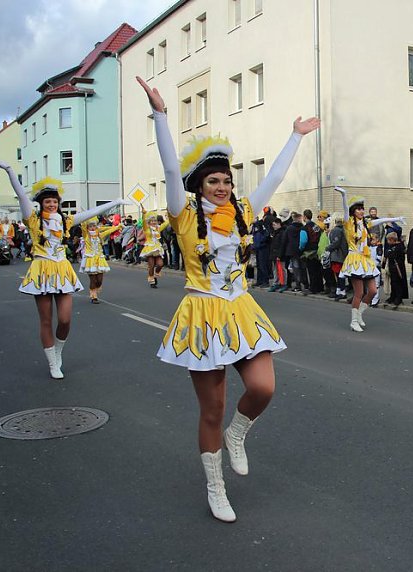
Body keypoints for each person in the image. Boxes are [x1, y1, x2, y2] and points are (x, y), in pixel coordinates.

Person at [139, 76, 320, 523]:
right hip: (202, 312)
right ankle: (216, 487)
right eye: (214, 180)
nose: (222, 186)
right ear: (199, 184)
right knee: (212, 409)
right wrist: (161, 115)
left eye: (226, 180)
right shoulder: (183, 213)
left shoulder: (242, 211)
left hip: (240, 308)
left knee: (263, 387)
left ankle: (239, 434)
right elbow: (167, 167)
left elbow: (275, 177)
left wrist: (294, 137)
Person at [0, 160, 128, 378]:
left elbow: (92, 212)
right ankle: (53, 363)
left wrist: (115, 202)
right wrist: (9, 171)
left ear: (58, 203)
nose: (51, 204)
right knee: (46, 319)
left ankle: (58, 351)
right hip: (41, 270)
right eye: (47, 201)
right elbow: (22, 196)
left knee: (65, 319)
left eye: (54, 201)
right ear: (41, 203)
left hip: (62, 270)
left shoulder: (66, 221)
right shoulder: (33, 220)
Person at [334, 186, 402, 332]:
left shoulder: (365, 223)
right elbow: (345, 210)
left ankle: (359, 314)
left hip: (365, 259)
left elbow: (381, 221)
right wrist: (344, 195)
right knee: (359, 293)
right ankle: (353, 321)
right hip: (354, 260)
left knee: (372, 291)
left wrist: (396, 219)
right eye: (358, 209)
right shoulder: (348, 223)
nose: (361, 211)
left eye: (362, 209)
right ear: (353, 211)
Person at [79, 218, 121, 303]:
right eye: (90, 226)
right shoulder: (86, 235)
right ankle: (94, 296)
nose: (92, 228)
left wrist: (118, 227)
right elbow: (83, 226)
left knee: (99, 281)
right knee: (93, 280)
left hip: (99, 259)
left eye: (94, 226)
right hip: (90, 259)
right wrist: (84, 218)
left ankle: (96, 289)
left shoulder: (99, 235)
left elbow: (109, 231)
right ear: (87, 228)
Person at [139, 208, 170, 288]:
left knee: (160, 264)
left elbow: (166, 223)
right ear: (149, 222)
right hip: (149, 248)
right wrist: (144, 214)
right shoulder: (146, 229)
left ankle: (156, 274)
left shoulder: (158, 228)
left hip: (157, 248)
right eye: (152, 221)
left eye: (154, 221)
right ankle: (152, 281)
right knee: (151, 265)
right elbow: (144, 222)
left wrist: (170, 213)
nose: (153, 222)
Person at [325, 212, 348, 300]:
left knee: (339, 274)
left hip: (337, 255)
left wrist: (328, 248)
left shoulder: (336, 230)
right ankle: (340, 291)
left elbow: (336, 243)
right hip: (341, 255)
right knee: (339, 274)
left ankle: (341, 291)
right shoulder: (343, 230)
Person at [381, 230, 408, 306]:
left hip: (398, 268)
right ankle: (393, 296)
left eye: (389, 240)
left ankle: (399, 297)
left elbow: (395, 256)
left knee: (398, 283)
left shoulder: (399, 247)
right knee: (392, 283)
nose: (388, 242)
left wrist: (389, 253)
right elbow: (386, 256)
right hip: (391, 268)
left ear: (393, 240)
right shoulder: (391, 247)